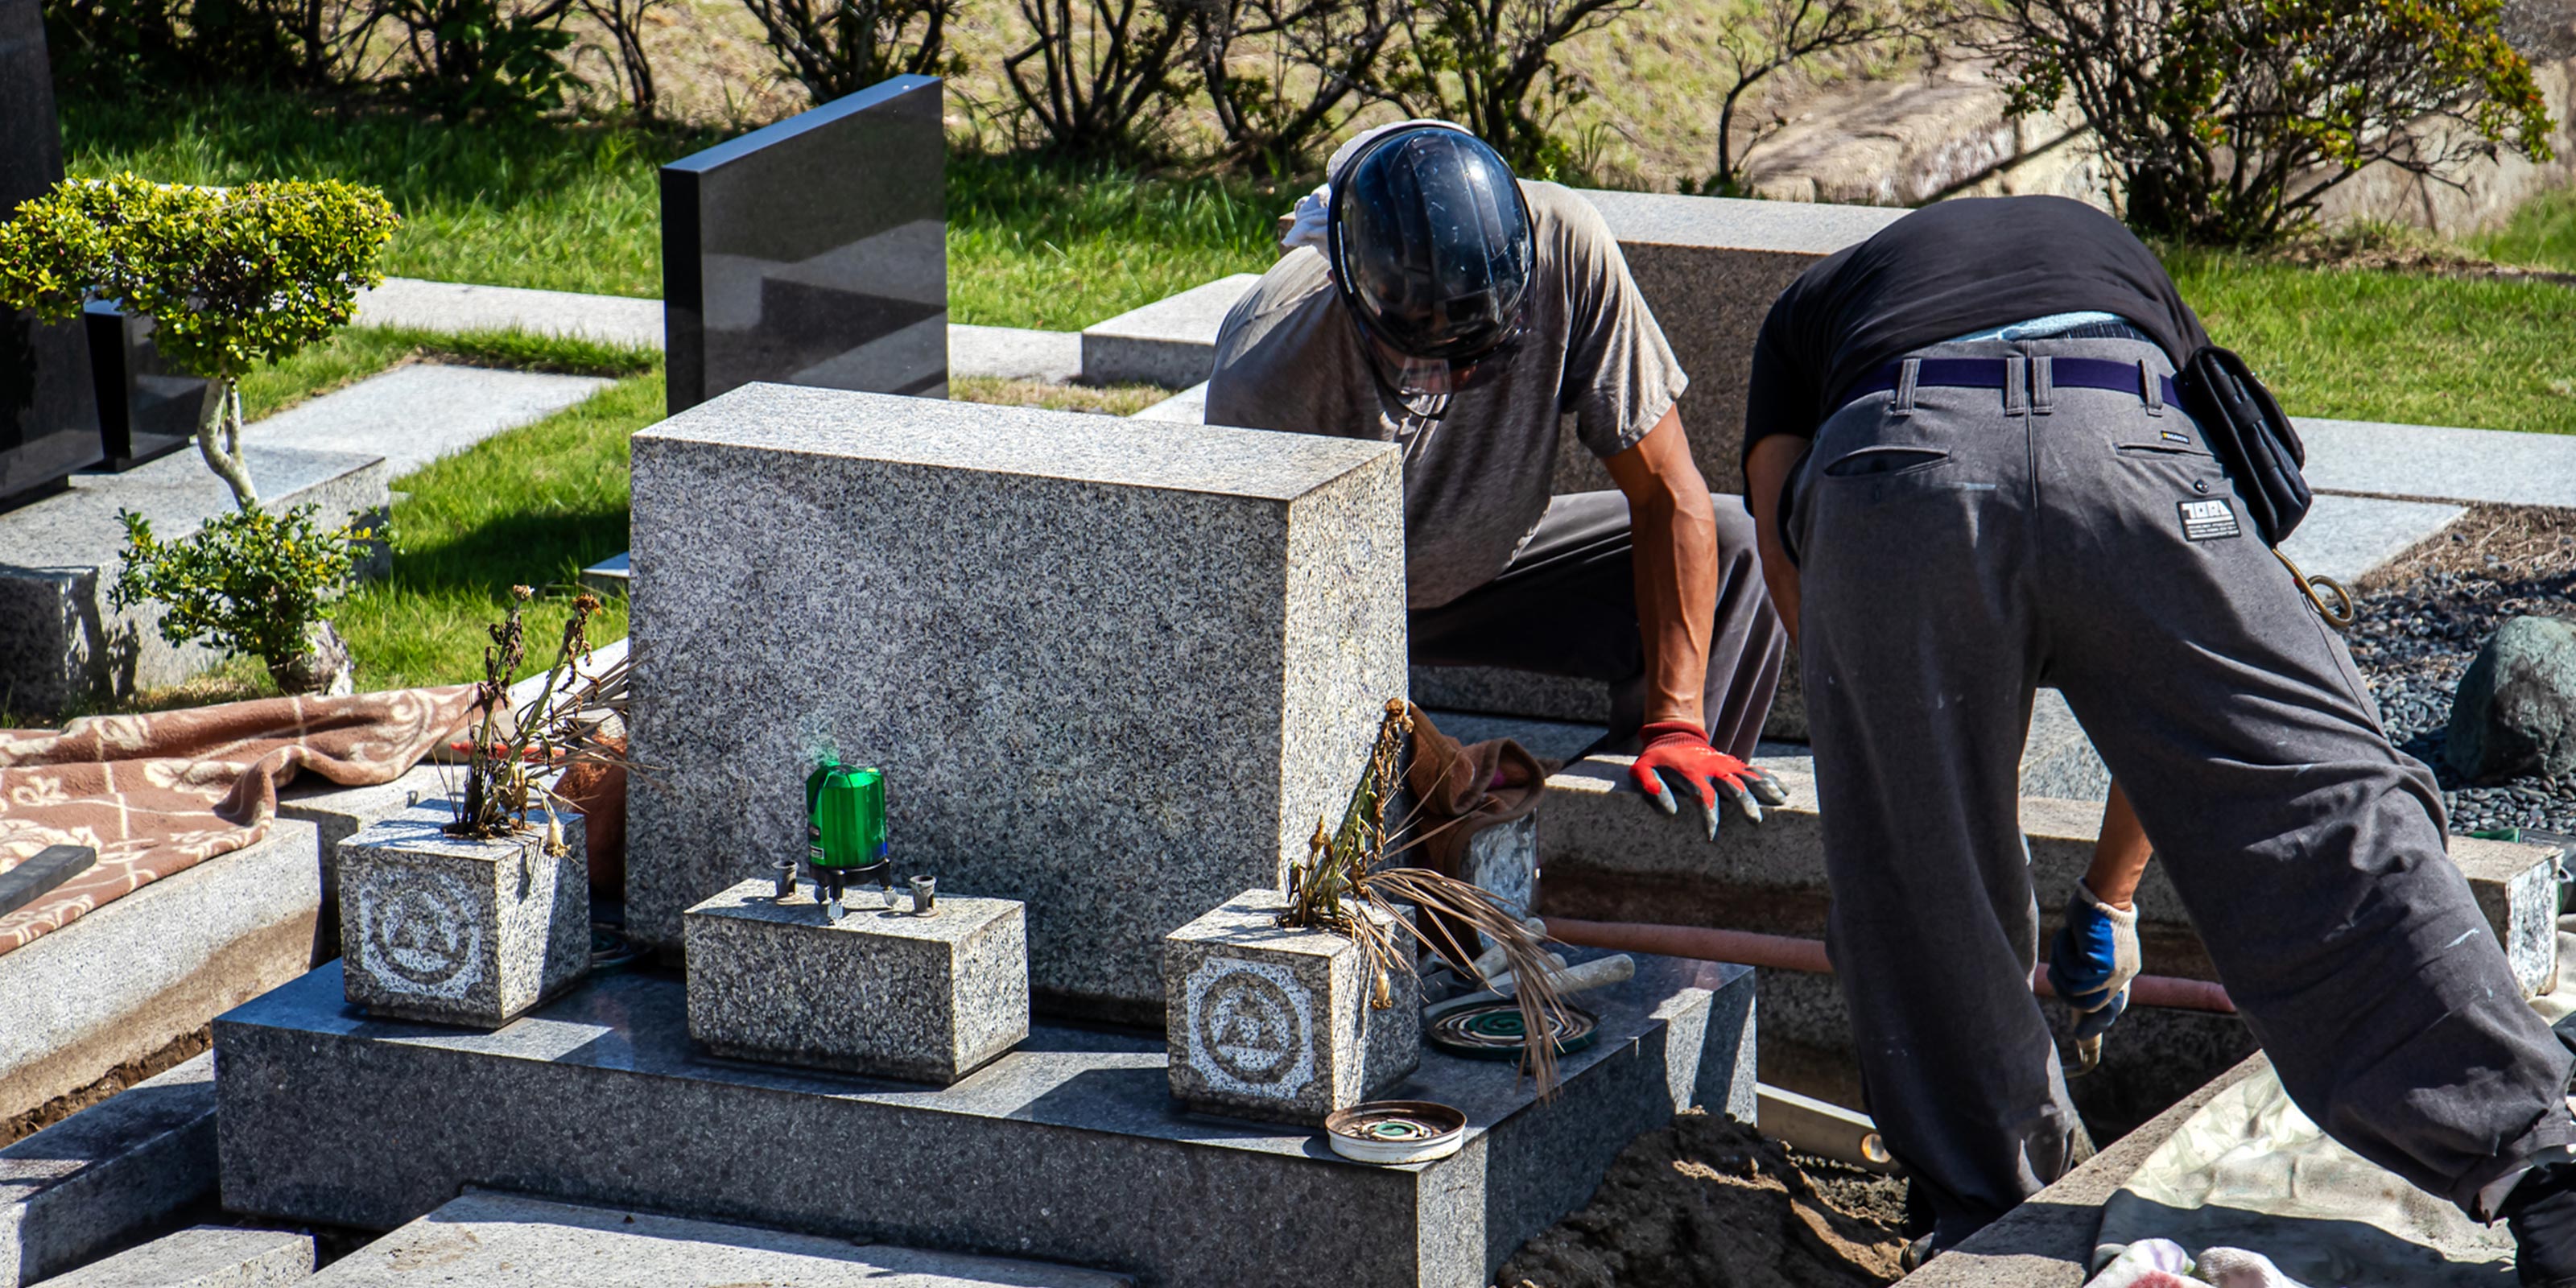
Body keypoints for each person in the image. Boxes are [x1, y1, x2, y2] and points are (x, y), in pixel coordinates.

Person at [1740, 192, 2576, 1280]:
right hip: (2123, 432)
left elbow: (1780, 543)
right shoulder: (2111, 258)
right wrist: (2108, 898)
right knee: (2316, 802)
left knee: (1917, 881)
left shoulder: (1811, 306)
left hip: (1893, 466)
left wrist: (1900, 752)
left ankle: (2004, 1228)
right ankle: (2541, 1167)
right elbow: (2194, 726)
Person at [1207, 122, 1789, 833]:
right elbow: (1266, 632)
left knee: (1736, 544)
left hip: (1497, 567)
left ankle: (1661, 841)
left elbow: (1668, 490)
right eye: (1426, 362)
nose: (1456, 381)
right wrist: (1425, 755)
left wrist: (1677, 726)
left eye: (1483, 355)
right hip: (1339, 610)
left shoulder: (1563, 247)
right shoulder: (1268, 367)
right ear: (1355, 298)